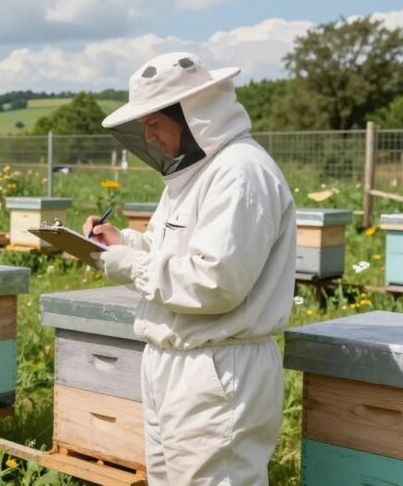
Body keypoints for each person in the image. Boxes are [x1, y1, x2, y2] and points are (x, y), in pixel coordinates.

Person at [84, 52, 296, 486]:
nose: (150, 137)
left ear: (192, 114)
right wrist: (124, 242)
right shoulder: (195, 173)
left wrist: (132, 265)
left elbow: (216, 282)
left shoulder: (240, 174)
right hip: (176, 362)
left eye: (155, 124)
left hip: (217, 367)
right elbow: (173, 251)